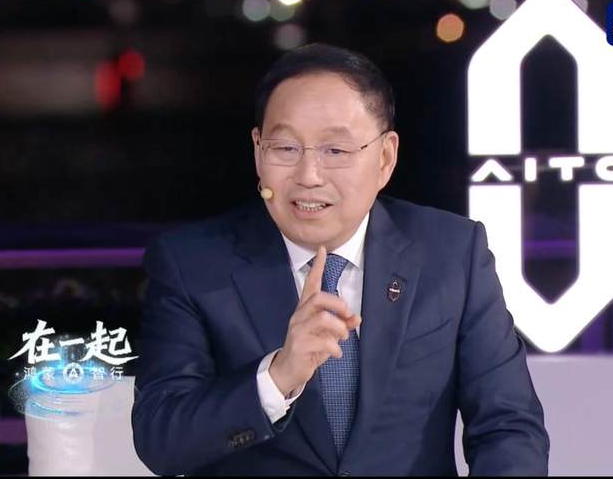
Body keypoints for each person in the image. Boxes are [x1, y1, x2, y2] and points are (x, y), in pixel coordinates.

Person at [132, 43, 549, 476]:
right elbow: (161, 441)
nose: (309, 176)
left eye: (335, 151)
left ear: (385, 158)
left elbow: (508, 426)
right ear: (258, 151)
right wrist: (277, 378)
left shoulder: (451, 253)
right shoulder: (192, 264)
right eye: (285, 148)